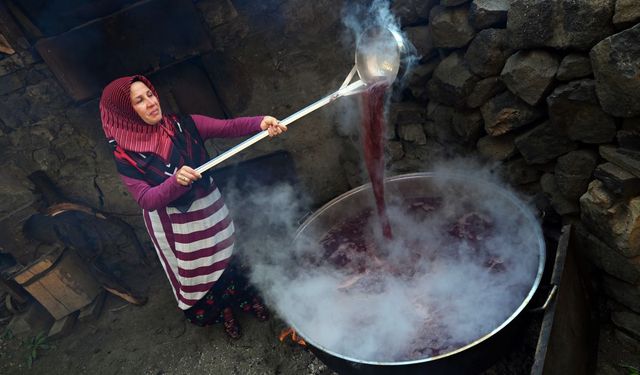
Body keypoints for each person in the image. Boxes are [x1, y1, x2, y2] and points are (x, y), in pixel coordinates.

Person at [99, 75, 287, 339]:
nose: (151, 103)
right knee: (199, 272)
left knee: (227, 256)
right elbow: (146, 199)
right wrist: (175, 182)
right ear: (124, 113)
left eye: (150, 95)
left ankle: (246, 299)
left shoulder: (184, 126)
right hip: (173, 224)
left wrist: (260, 123)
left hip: (209, 206)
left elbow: (229, 127)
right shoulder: (125, 156)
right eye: (139, 101)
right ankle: (224, 312)